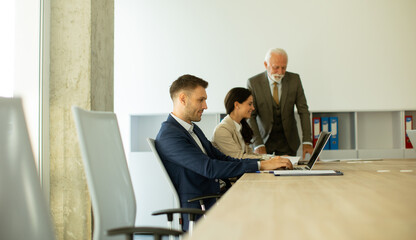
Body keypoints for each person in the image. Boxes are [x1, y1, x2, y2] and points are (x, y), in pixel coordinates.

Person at [155, 74, 293, 231]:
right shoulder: (170, 135)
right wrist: (260, 165)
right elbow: (210, 168)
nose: (205, 106)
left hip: (213, 197)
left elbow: (223, 158)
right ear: (183, 99)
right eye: (201, 100)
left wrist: (263, 164)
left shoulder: (192, 129)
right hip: (199, 208)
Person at [247, 48, 313, 159]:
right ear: (265, 64)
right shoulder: (253, 83)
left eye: (284, 68)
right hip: (264, 142)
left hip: (289, 143)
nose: (280, 72)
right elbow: (250, 116)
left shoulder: (294, 80)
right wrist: (257, 143)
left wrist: (307, 141)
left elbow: (303, 111)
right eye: (276, 67)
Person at [212, 87, 270, 160]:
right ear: (237, 105)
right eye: (250, 104)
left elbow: (249, 154)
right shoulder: (222, 130)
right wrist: (269, 160)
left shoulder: (240, 126)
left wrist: (272, 158)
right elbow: (238, 157)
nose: (253, 108)